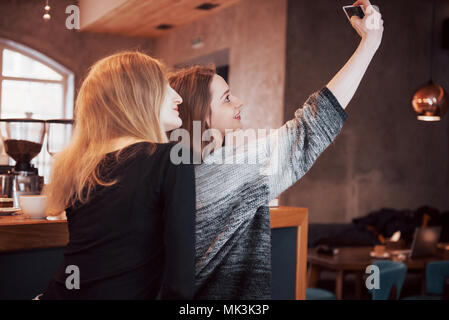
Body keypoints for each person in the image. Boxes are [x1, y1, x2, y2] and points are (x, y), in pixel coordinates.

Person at [168, 0, 383, 299]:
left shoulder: (173, 170)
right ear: (202, 114)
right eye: (227, 98)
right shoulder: (223, 171)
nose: (239, 101)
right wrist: (369, 44)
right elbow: (310, 126)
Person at [38, 51, 196, 299]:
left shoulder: (76, 162)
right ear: (137, 95)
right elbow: (180, 286)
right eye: (164, 86)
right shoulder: (172, 158)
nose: (178, 97)